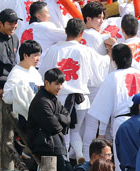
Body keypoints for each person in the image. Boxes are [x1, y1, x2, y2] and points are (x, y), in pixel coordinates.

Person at [38, 18, 110, 162]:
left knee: (61, 133)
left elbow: (42, 73)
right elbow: (101, 69)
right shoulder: (85, 50)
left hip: (60, 98)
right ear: (81, 33)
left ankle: (65, 161)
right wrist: (109, 52)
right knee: (74, 130)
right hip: (81, 99)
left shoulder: (53, 49)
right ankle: (79, 155)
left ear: (66, 31)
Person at [27, 67, 74, 171]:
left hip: (56, 145)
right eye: (56, 84)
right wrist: (61, 120)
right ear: (46, 83)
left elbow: (68, 117)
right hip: (45, 146)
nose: (59, 87)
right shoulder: (41, 101)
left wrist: (57, 117)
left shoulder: (53, 99)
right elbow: (54, 127)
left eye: (61, 84)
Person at [2, 39, 43, 123]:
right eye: (35, 55)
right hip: (25, 117)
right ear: (25, 55)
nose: (38, 59)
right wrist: (22, 94)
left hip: (38, 113)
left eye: (39, 55)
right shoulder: (16, 73)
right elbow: (6, 97)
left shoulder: (34, 71)